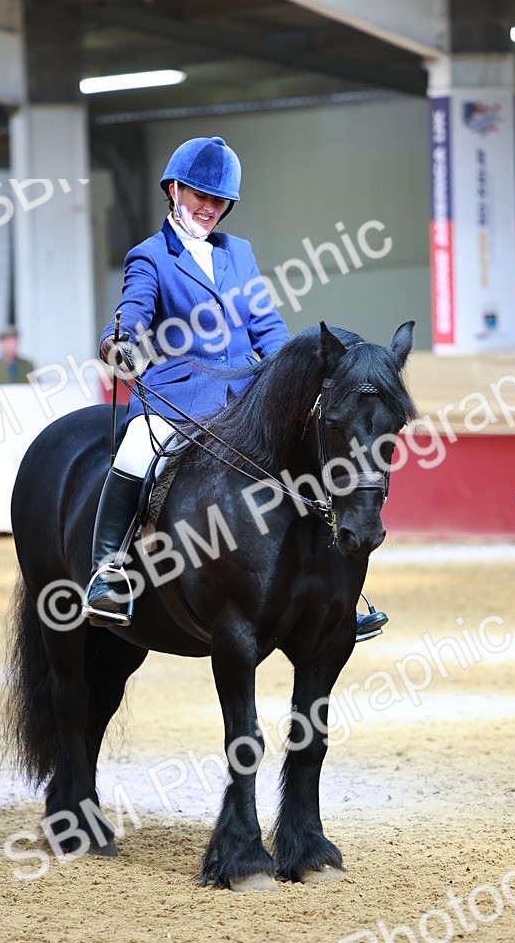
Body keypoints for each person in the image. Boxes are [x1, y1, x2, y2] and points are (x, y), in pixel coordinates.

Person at [83, 135, 388, 643]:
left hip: (249, 395)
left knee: (312, 458)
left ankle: (337, 595)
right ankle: (108, 573)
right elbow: (133, 316)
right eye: (201, 197)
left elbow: (267, 325)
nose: (210, 209)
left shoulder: (238, 254)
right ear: (175, 190)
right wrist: (122, 345)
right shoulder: (150, 256)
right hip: (178, 393)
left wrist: (299, 375)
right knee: (136, 452)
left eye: (218, 201)